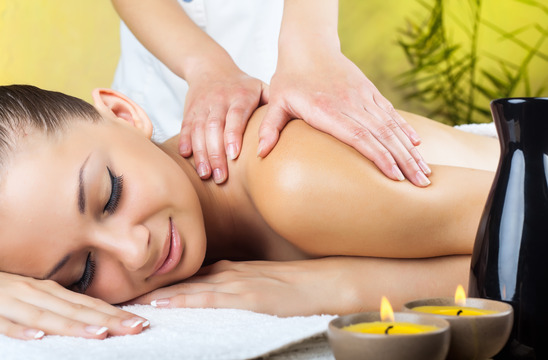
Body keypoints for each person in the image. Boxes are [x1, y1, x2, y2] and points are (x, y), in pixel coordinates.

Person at [0, 85, 499, 341]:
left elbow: (532, 238)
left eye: (110, 195)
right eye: (81, 273)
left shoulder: (289, 179)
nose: (133, 252)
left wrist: (335, 288)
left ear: (125, 116)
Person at [111, 0, 433, 187]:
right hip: (159, 95)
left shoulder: (293, 176)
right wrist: (205, 66)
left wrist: (310, 47)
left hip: (296, 101)